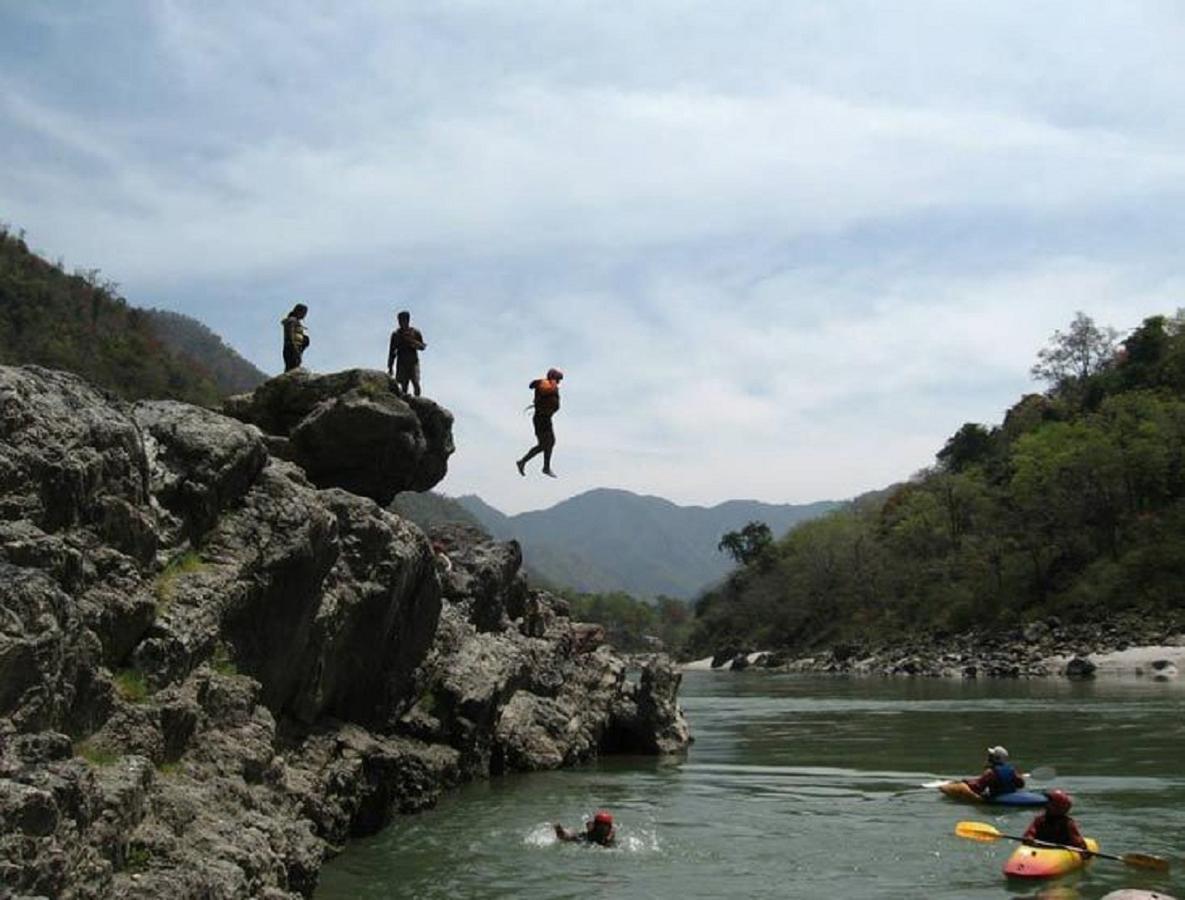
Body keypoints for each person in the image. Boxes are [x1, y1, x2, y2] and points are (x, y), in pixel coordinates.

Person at [516, 368, 563, 478]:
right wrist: (553, 383)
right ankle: (538, 466)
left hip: (546, 418)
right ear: (553, 377)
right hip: (540, 419)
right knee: (546, 444)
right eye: (558, 379)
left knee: (548, 443)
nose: (559, 382)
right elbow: (545, 390)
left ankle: (535, 464)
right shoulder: (544, 383)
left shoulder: (551, 384)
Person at [1023, 789, 1088, 850]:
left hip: (1060, 852)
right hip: (1040, 850)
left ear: (1059, 807)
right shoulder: (1039, 820)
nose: (1046, 805)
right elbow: (1030, 832)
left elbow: (1077, 842)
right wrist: (1029, 838)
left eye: (1050, 803)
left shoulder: (1067, 823)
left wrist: (1083, 849)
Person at [387, 310, 427, 396]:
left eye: (404, 320)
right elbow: (392, 351)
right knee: (404, 386)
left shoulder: (415, 332)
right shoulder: (396, 334)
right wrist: (390, 366)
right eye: (400, 320)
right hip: (402, 362)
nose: (401, 322)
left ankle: (418, 402)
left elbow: (422, 346)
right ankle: (405, 405)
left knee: (416, 383)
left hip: (413, 361)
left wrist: (413, 342)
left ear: (408, 320)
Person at [282, 304, 310, 372]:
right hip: (291, 348)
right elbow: (290, 335)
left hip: (295, 348)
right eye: (304, 313)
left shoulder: (296, 322)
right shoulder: (291, 321)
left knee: (294, 366)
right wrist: (295, 349)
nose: (304, 315)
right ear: (298, 312)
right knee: (292, 368)